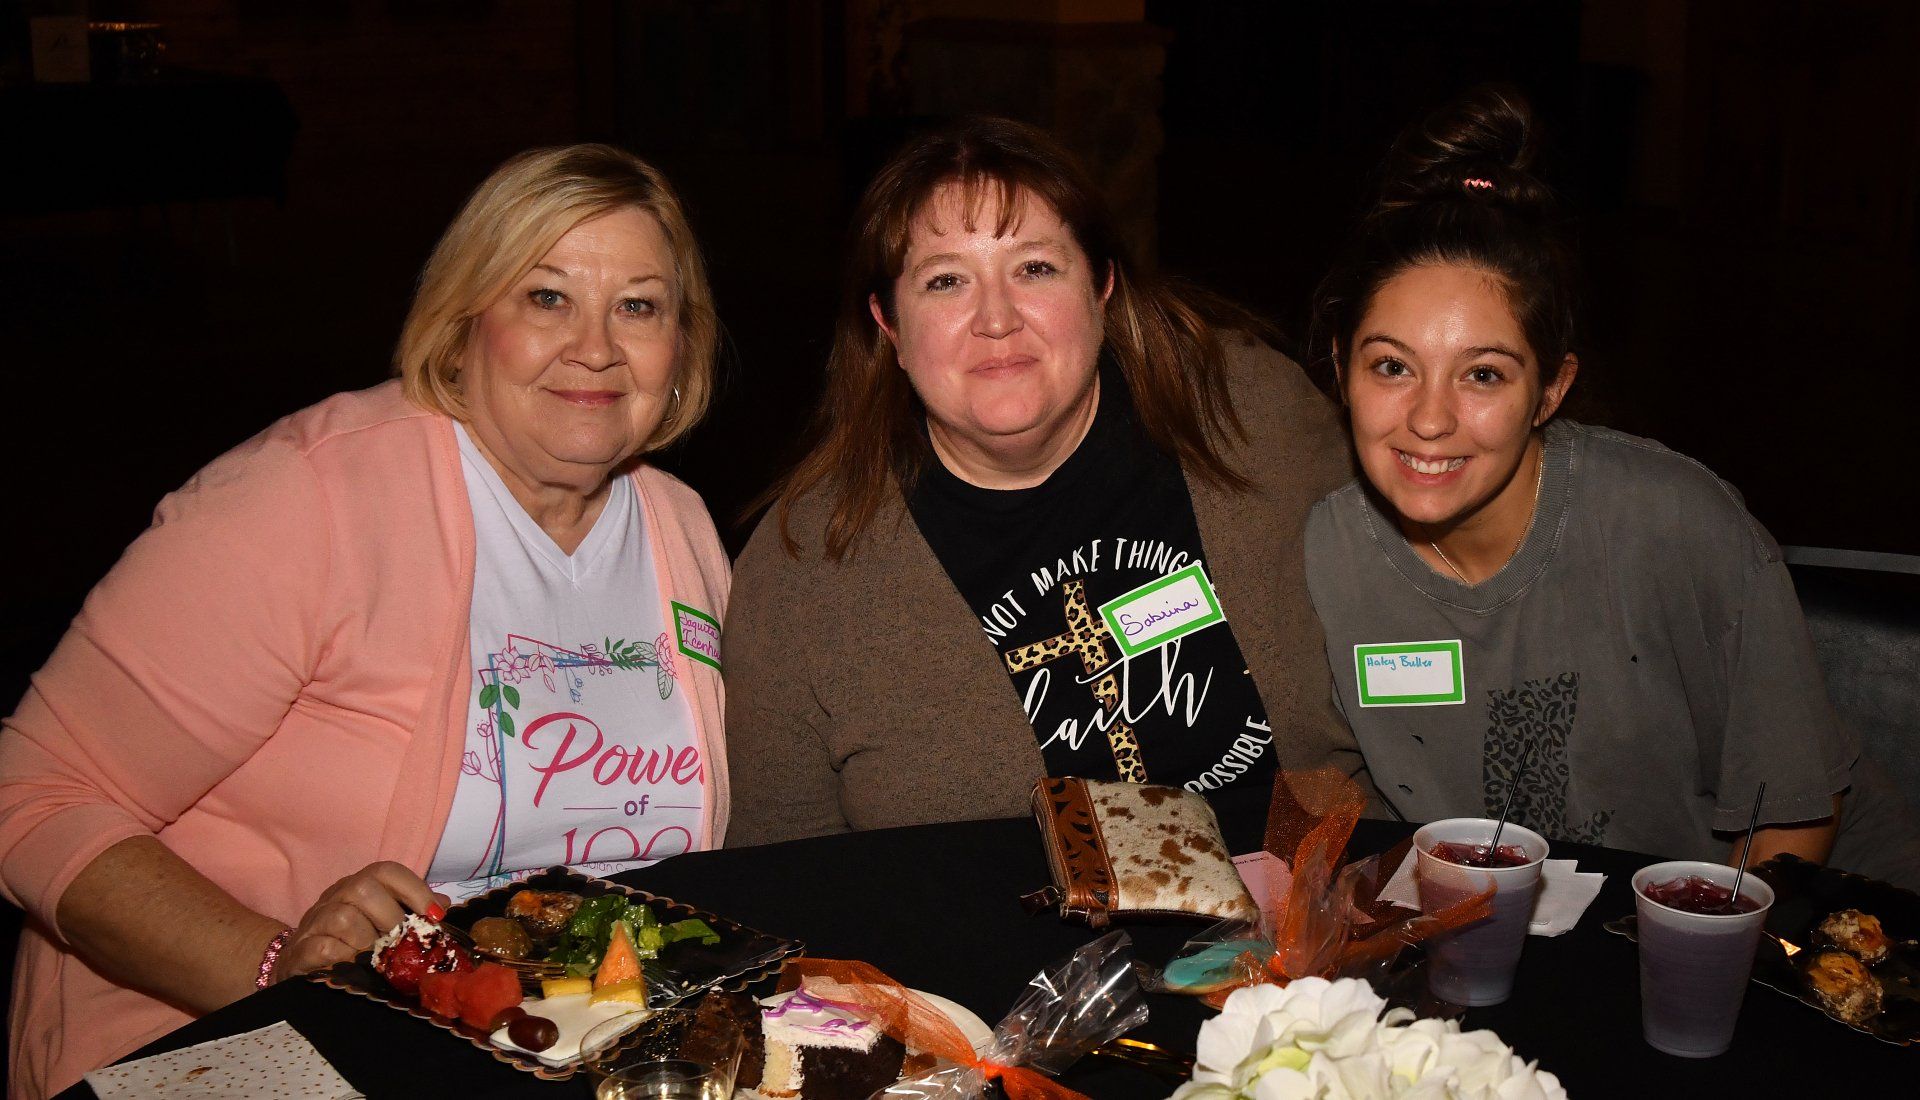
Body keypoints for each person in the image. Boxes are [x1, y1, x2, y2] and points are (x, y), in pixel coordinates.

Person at [0, 144, 733, 1097]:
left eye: (639, 306)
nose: (594, 346)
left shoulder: (677, 526)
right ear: (465, 319)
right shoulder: (310, 499)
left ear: (683, 347)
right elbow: (33, 793)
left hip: (552, 1050)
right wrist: (276, 971)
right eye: (546, 298)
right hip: (233, 1051)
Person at [1303, 86, 1919, 886]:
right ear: (1341, 366)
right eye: (1392, 365)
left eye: (1483, 375)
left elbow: (1795, 817)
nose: (1428, 419)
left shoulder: (1672, 522)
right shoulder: (1330, 553)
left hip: (1808, 919)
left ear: (1552, 392)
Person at [724, 116, 1371, 848]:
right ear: (889, 326)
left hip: (1320, 931)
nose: (996, 320)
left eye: (1034, 268)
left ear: (1100, 284)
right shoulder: (802, 572)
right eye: (945, 282)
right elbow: (790, 872)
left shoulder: (1255, 415)